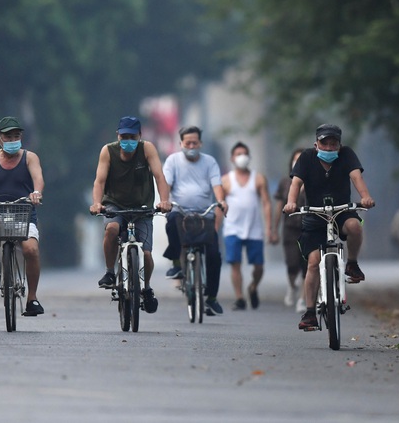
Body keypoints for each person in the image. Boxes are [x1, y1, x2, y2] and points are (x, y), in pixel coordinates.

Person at [283, 124, 375, 330]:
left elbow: (356, 177)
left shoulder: (347, 155)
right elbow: (296, 184)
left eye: (333, 144)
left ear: (339, 146)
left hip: (342, 211)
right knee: (314, 262)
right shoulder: (306, 158)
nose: (329, 147)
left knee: (355, 226)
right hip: (314, 215)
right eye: (325, 143)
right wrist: (291, 203)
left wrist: (365, 197)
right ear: (316, 144)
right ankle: (309, 313)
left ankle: (352, 263)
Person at [89, 116, 172, 314]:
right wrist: (97, 203)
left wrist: (164, 200)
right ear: (118, 136)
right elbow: (99, 181)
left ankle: (146, 286)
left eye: (132, 136)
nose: (128, 140)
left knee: (146, 253)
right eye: (124, 136)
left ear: (139, 136)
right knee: (112, 229)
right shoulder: (108, 151)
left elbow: (159, 176)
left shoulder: (147, 149)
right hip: (114, 205)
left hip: (142, 207)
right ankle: (110, 272)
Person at [0, 116, 45, 316]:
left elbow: (38, 179)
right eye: (8, 137)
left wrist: (36, 193)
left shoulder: (30, 157)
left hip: (24, 213)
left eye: (16, 136)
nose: (13, 140)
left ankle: (32, 298)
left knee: (31, 250)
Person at [162, 126, 228, 315]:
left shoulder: (210, 162)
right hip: (180, 212)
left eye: (195, 142)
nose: (191, 146)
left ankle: (212, 298)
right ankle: (176, 264)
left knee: (214, 255)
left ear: (201, 143)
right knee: (171, 219)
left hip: (204, 215)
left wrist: (221, 201)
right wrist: (165, 201)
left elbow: (217, 185)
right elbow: (166, 184)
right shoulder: (173, 161)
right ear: (181, 143)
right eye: (187, 143)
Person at [221, 141, 273, 310]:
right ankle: (240, 297)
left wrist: (269, 228)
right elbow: (219, 205)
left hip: (254, 228)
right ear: (232, 158)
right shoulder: (226, 180)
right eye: (238, 154)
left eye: (244, 153)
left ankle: (253, 287)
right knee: (235, 263)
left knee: (258, 266)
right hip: (232, 227)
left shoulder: (258, 179)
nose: (241, 157)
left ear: (249, 157)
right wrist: (215, 227)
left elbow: (266, 203)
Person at [272, 148, 307, 313]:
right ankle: (292, 285)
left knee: (308, 265)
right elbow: (279, 206)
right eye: (296, 159)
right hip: (290, 228)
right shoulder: (285, 182)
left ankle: (302, 298)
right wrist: (274, 228)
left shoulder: (315, 181)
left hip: (309, 227)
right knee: (292, 263)